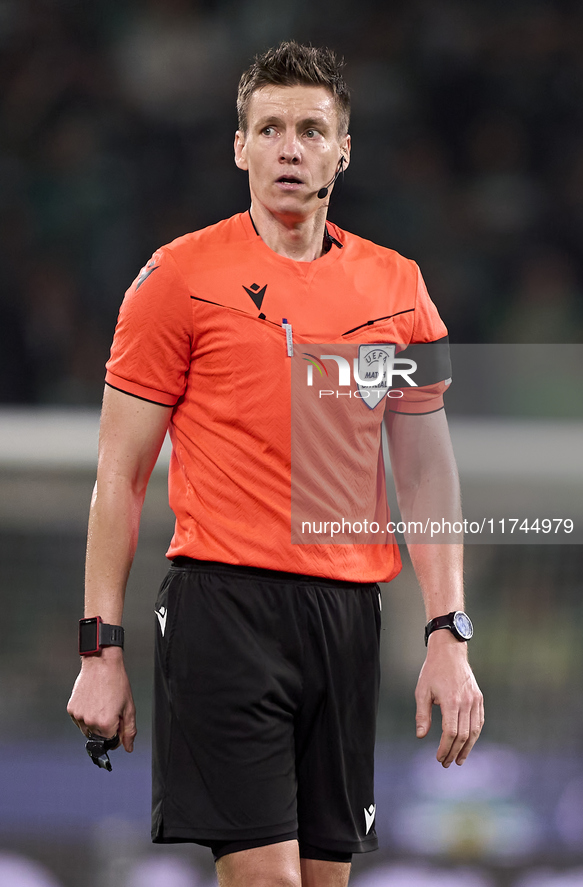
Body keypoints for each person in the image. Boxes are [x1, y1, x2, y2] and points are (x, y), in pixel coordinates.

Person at [67, 41, 483, 887]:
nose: (288, 148)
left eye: (309, 129)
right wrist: (98, 647)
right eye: (268, 129)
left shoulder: (400, 288)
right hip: (223, 609)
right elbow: (120, 475)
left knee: (322, 883)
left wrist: (447, 631)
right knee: (268, 881)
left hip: (346, 616)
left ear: (343, 150)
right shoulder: (176, 278)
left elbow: (428, 473)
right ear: (239, 147)